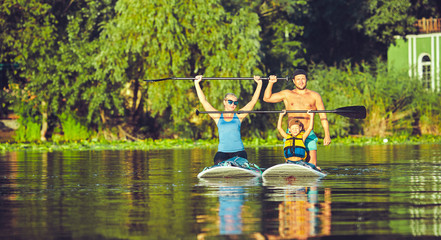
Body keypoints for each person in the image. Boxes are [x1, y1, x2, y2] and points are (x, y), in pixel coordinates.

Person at [263, 69, 331, 169]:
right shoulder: (287, 94)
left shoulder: (315, 96)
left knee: (313, 166)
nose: (301, 81)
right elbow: (266, 98)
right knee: (291, 165)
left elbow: (323, 116)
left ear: (306, 80)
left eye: (303, 79)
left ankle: (314, 172)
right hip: (291, 134)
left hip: (308, 134)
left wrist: (327, 134)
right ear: (294, 81)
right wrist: (271, 83)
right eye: (298, 79)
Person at [194, 75, 263, 165]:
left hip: (239, 151)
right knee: (218, 161)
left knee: (237, 161)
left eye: (235, 103)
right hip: (223, 152)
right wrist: (196, 83)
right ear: (224, 102)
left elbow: (253, 101)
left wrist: (259, 84)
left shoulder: (239, 115)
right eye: (230, 102)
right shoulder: (218, 116)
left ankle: (235, 165)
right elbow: (204, 101)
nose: (233, 105)